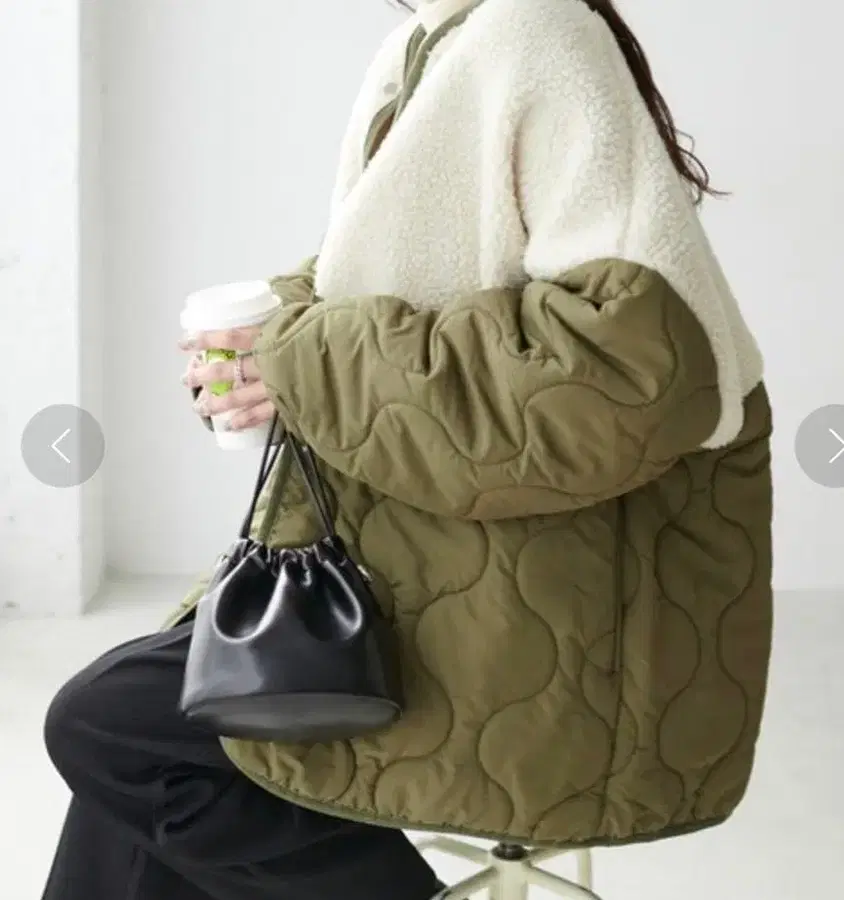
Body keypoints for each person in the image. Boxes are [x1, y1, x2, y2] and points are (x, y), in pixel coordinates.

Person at [41, 0, 774, 898]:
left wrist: (299, 355)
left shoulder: (534, 32)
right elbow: (386, 290)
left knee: (113, 729)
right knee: (140, 763)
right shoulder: (429, 43)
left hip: (539, 602)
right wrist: (274, 341)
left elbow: (627, 370)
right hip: (431, 556)